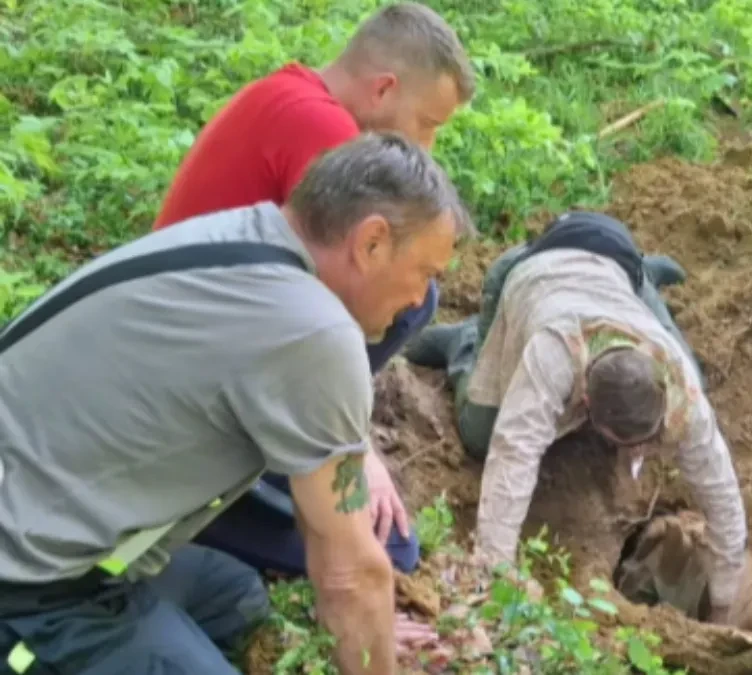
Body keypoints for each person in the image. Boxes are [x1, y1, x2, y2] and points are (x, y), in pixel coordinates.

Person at [0, 132, 467, 673]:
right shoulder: (311, 329)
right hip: (31, 580)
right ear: (372, 243)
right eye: (424, 274)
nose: (419, 298)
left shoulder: (248, 236)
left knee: (234, 599)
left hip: (37, 502)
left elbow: (336, 547)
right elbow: (351, 575)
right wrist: (364, 626)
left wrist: (365, 622)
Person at [150, 1, 476, 578]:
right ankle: (209, 519)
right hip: (195, 400)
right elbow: (326, 309)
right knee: (389, 552)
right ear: (384, 89)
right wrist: (350, 445)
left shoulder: (287, 95)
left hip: (207, 354)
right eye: (427, 123)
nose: (426, 146)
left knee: (413, 294)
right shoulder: (325, 133)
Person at [404, 211, 748, 623]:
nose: (635, 451)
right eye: (621, 441)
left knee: (697, 378)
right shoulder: (552, 356)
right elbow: (513, 454)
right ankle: (463, 341)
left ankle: (643, 281)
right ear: (585, 400)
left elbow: (720, 490)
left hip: (617, 264)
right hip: (532, 272)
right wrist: (495, 572)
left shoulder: (677, 382)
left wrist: (723, 602)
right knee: (479, 432)